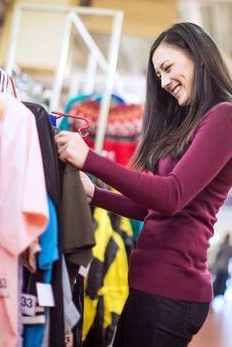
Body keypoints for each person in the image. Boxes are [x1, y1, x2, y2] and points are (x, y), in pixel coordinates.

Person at [55, 22, 232, 347]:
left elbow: (170, 197)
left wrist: (90, 159)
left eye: (167, 68)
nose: (163, 83)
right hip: (154, 286)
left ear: (196, 55)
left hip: (171, 290)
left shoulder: (224, 116)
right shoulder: (191, 124)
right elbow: (151, 207)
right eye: (158, 76)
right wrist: (96, 194)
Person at [212, 233, 232, 297]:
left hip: (223, 269)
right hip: (220, 268)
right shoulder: (221, 246)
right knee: (217, 285)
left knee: (219, 286)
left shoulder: (227, 247)